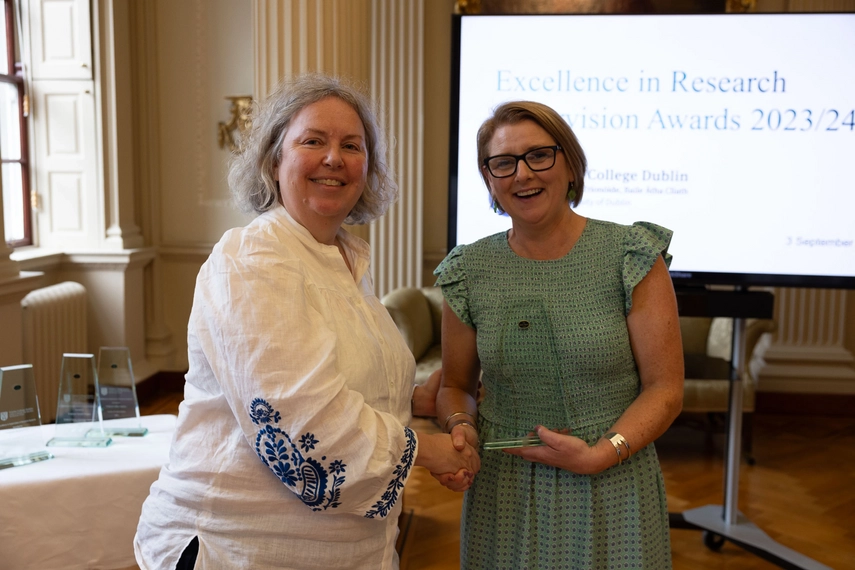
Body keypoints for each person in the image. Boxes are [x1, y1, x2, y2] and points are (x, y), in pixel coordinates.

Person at [134, 73, 479, 570]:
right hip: (240, 548)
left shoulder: (343, 261)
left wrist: (414, 398)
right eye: (312, 141)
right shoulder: (253, 258)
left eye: (352, 145)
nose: (334, 158)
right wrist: (427, 450)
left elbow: (343, 377)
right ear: (274, 161)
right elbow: (303, 427)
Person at [434, 100, 684, 568]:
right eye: (503, 163)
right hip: (504, 484)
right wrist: (461, 427)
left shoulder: (630, 255)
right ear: (489, 180)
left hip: (613, 478)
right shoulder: (467, 270)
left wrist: (600, 454)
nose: (522, 174)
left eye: (539, 156)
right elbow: (454, 387)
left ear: (569, 163)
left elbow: (665, 389)